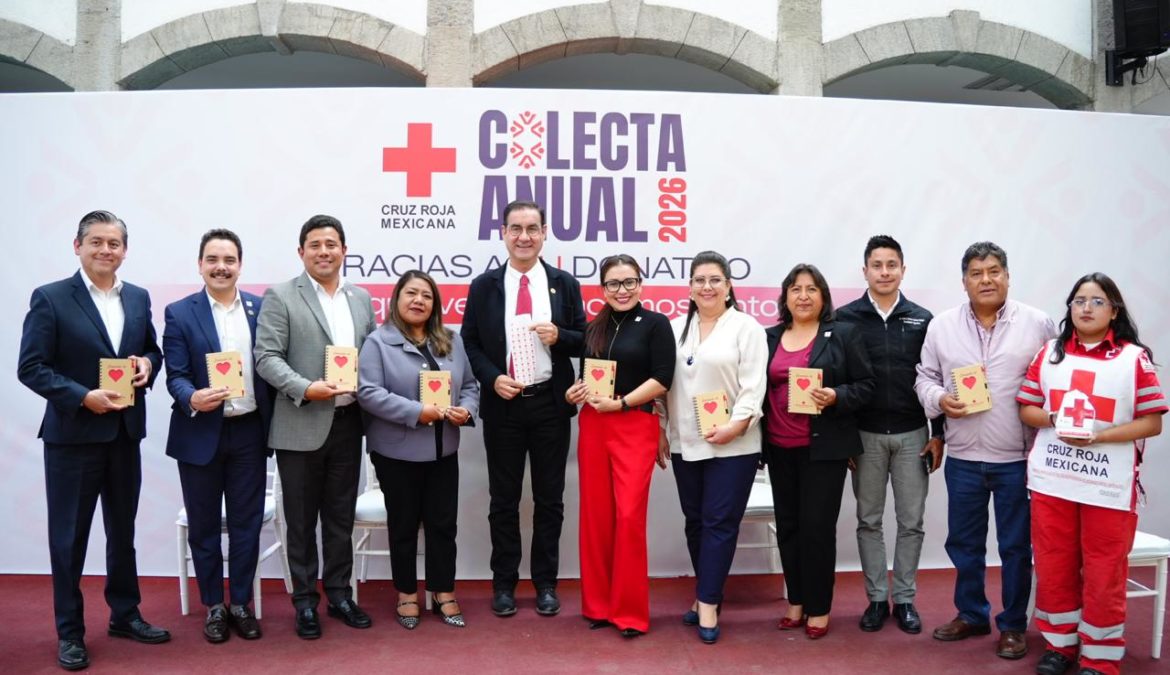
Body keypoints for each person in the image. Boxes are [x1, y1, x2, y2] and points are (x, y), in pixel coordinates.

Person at [17, 210, 169, 671]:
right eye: (97, 242)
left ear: (125, 250)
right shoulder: (51, 298)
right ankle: (70, 632)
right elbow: (32, 367)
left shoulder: (139, 298)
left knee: (122, 533)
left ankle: (125, 615)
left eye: (115, 244)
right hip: (73, 439)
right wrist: (83, 396)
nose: (106, 250)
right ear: (77, 245)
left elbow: (152, 350)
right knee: (69, 540)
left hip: (124, 433)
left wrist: (146, 363)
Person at [1017, 273, 1166, 675]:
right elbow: (1027, 407)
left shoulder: (1133, 358)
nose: (1086, 308)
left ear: (1114, 311)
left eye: (1097, 301)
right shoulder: (1049, 354)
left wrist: (1100, 437)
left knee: (1104, 570)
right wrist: (1055, 419)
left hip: (1107, 485)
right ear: (1069, 307)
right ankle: (1060, 645)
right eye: (1079, 300)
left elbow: (1153, 422)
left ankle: (1100, 656)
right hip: (1053, 479)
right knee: (1054, 563)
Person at [914, 241, 1056, 660]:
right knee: (964, 542)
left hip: (1017, 458)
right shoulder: (941, 326)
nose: (986, 279)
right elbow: (924, 377)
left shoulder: (1038, 323)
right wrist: (940, 400)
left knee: (1015, 547)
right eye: (976, 273)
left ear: (1008, 276)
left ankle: (1013, 624)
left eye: (994, 271)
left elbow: (1054, 381)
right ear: (964, 282)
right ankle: (972, 612)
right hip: (963, 457)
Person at [461, 200, 586, 617]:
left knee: (551, 499)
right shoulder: (484, 286)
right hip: (504, 406)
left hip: (550, 403)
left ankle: (546, 583)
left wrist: (560, 335)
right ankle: (504, 584)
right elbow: (471, 342)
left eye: (532, 228)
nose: (524, 237)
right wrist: (492, 378)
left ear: (545, 232)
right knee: (504, 500)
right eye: (516, 228)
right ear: (503, 232)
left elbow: (584, 338)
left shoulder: (564, 283)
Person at [255, 215, 377, 638]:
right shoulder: (281, 296)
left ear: (344, 249)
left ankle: (340, 594)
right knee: (301, 521)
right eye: (315, 245)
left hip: (349, 424)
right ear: (301, 251)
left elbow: (373, 356)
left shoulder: (361, 299)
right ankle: (305, 602)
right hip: (300, 422)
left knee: (340, 518)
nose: (324, 252)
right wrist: (307, 388)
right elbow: (267, 357)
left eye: (331, 244)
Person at [162, 229, 273, 643]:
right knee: (204, 527)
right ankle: (214, 604)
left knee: (246, 525)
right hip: (199, 433)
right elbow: (175, 375)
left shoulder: (261, 309)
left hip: (248, 432)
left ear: (240, 265)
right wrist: (192, 397)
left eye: (229, 259)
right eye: (212, 259)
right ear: (200, 264)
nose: (221, 267)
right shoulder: (179, 312)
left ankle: (241, 602)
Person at [357, 270, 480, 630]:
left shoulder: (451, 341)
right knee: (404, 525)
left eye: (426, 296)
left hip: (444, 450)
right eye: (411, 294)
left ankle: (443, 591)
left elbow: (470, 385)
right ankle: (407, 594)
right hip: (397, 452)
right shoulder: (378, 343)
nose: (418, 301)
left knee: (443, 525)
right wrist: (417, 412)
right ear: (396, 299)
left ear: (435, 304)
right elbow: (369, 393)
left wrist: (467, 409)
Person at [835, 236, 943, 634]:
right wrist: (844, 437)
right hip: (864, 437)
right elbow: (839, 380)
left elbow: (936, 378)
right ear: (864, 271)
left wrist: (939, 434)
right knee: (869, 520)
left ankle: (906, 600)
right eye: (877, 265)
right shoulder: (844, 318)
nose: (884, 272)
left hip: (914, 434)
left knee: (912, 521)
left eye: (891, 265)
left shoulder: (923, 318)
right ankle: (877, 599)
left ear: (903, 269)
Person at [762, 263, 875, 640]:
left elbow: (865, 386)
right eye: (795, 289)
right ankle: (796, 601)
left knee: (817, 529)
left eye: (811, 289)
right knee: (789, 528)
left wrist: (836, 396)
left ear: (823, 296)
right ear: (785, 297)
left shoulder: (842, 334)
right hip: (778, 448)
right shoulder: (769, 337)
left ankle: (819, 607)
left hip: (823, 450)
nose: (803, 296)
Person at [565, 255, 675, 637]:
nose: (622, 290)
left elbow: (663, 377)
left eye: (629, 282)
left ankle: (629, 613)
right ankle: (597, 606)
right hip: (594, 424)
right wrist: (573, 392)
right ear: (602, 289)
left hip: (634, 423)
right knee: (596, 517)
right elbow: (586, 377)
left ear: (641, 284)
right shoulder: (593, 326)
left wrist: (623, 402)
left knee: (628, 518)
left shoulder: (656, 324)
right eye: (613, 283)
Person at [661, 250, 767, 644]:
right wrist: (661, 429)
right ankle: (708, 593)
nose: (707, 287)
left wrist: (735, 426)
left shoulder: (747, 328)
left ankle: (707, 602)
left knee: (720, 523)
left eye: (714, 280)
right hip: (685, 442)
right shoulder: (673, 329)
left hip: (734, 444)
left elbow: (754, 387)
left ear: (728, 286)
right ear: (689, 287)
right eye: (699, 280)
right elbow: (662, 384)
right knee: (696, 522)